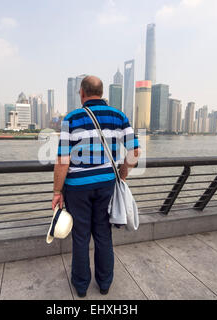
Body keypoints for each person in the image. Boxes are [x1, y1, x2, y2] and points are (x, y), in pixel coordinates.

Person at [51, 75, 141, 298]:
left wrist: (56, 192)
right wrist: (123, 172)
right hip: (106, 186)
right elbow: (135, 152)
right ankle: (104, 283)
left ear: (82, 92)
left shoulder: (70, 119)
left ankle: (81, 286)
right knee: (103, 234)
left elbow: (63, 160)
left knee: (80, 236)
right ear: (101, 93)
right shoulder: (119, 116)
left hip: (77, 188)